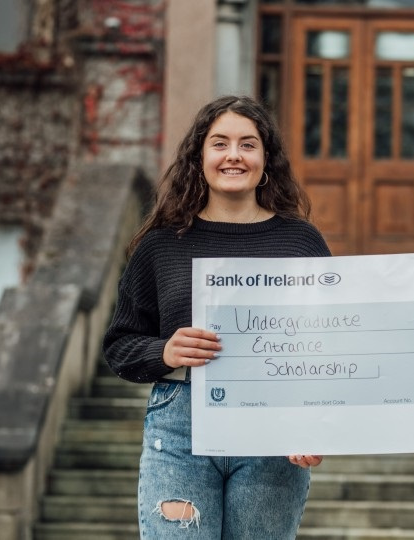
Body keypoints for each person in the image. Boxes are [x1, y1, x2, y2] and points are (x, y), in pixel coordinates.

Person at [103, 95, 329, 538]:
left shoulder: (302, 243)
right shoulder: (161, 246)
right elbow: (119, 346)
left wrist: (315, 423)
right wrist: (164, 350)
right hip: (179, 426)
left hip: (274, 431)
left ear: (267, 160)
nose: (233, 155)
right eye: (219, 143)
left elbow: (327, 348)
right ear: (199, 158)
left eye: (248, 145)